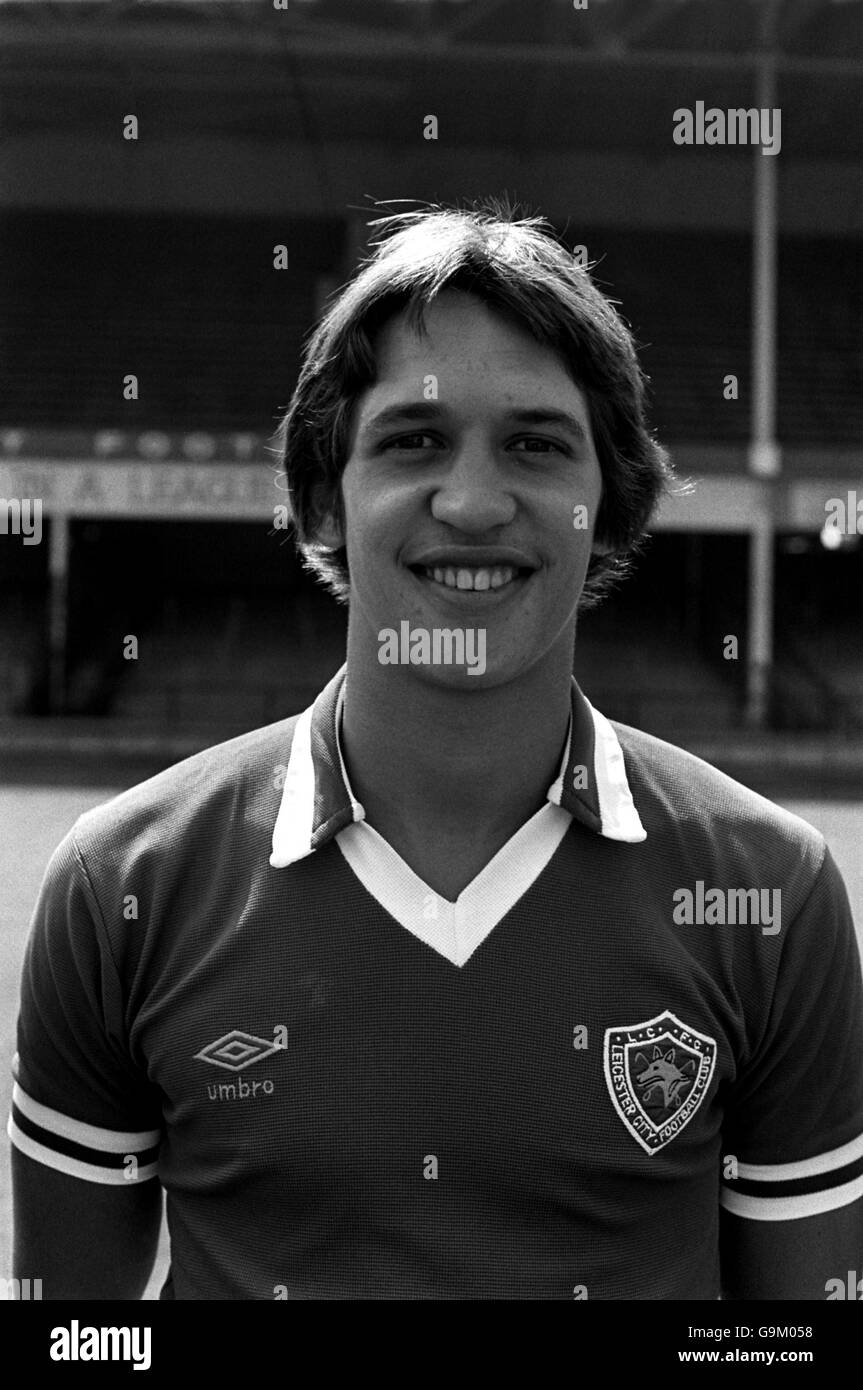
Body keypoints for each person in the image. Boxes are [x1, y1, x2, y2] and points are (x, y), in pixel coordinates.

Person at [10, 200, 863, 1300]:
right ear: (323, 497)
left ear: (605, 505)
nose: (471, 500)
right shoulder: (119, 884)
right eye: (413, 442)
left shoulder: (767, 892)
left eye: (535, 445)